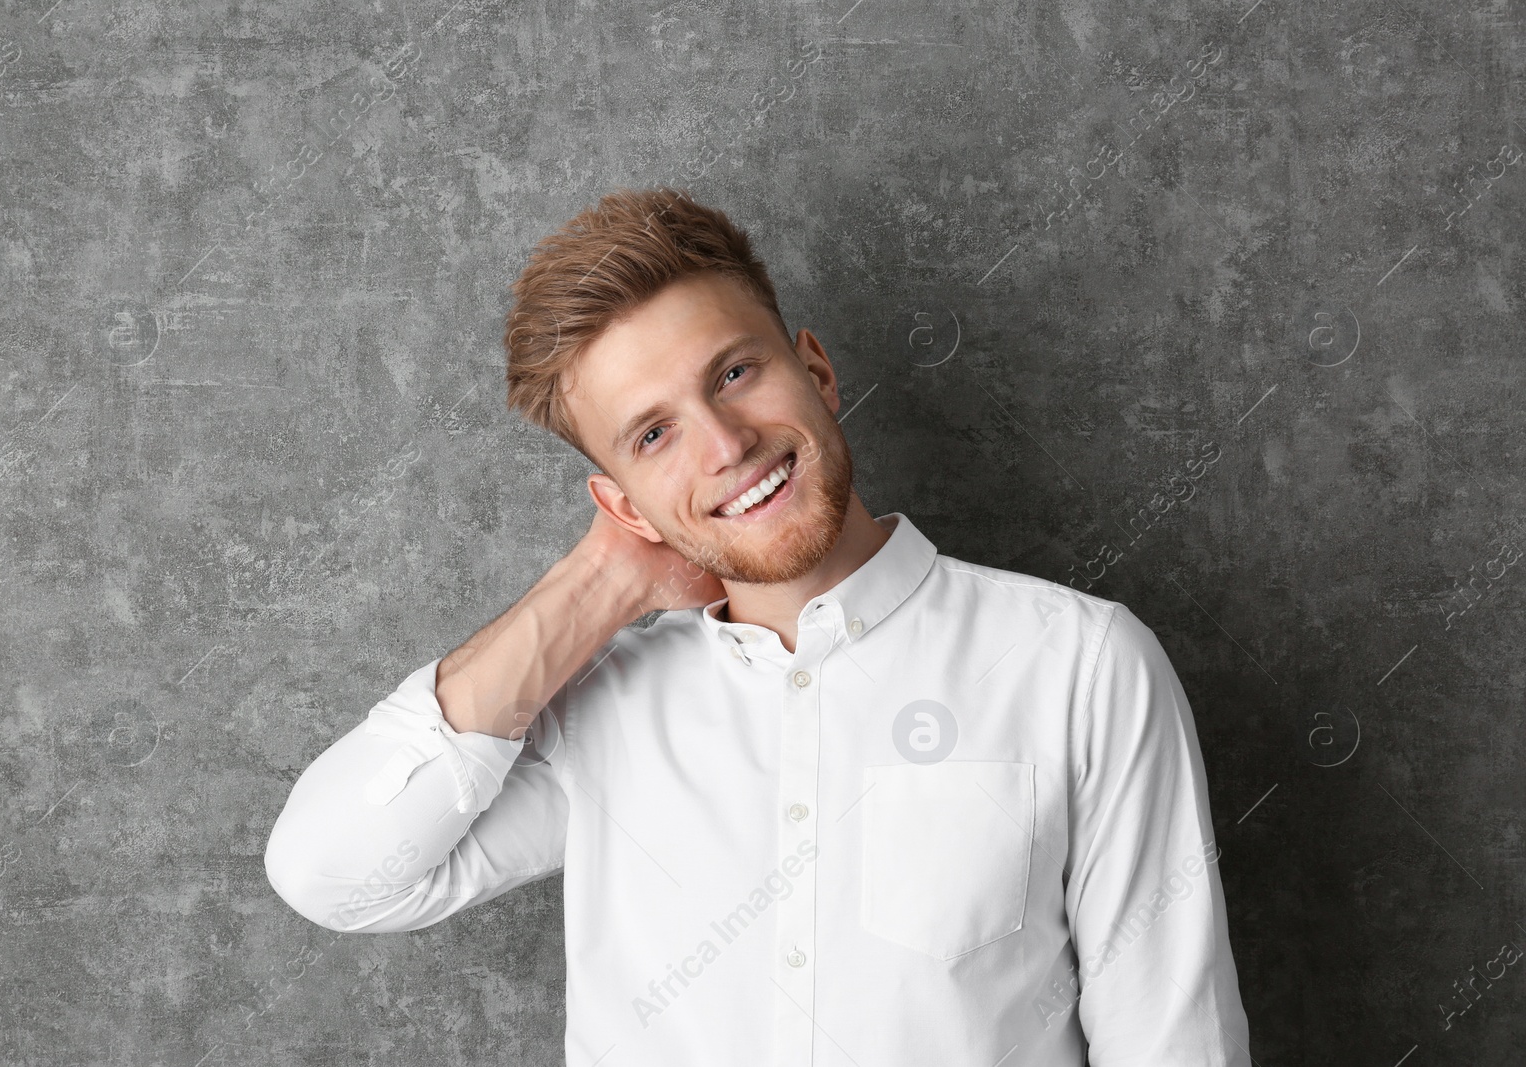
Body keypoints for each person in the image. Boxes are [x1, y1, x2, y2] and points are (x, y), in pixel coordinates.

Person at [265, 186, 1252, 1065]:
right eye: (655, 434)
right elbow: (335, 873)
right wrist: (604, 576)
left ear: (815, 370)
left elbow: (1171, 1039)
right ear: (625, 500)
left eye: (733, 374)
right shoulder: (601, 716)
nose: (727, 444)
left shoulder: (1076, 665)